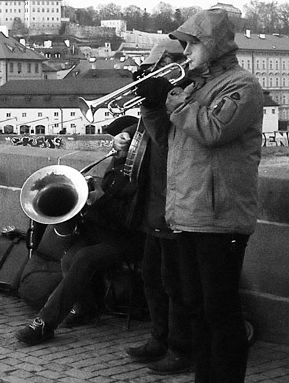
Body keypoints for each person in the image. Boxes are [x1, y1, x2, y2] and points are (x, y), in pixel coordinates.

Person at [136, 8, 264, 383]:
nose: (186, 52)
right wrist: (152, 105)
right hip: (188, 213)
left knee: (220, 313)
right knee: (194, 309)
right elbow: (167, 141)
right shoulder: (193, 87)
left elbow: (213, 130)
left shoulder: (242, 86)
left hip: (220, 216)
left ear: (212, 46)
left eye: (192, 45)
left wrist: (172, 98)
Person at [15, 116, 144, 346]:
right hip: (106, 231)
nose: (117, 148)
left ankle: (45, 323)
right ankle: (86, 308)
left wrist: (100, 201)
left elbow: (128, 219)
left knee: (84, 257)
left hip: (129, 238)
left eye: (123, 144)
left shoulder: (143, 174)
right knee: (69, 259)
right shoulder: (118, 163)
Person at [119, 41, 195, 375]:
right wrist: (125, 138)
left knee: (175, 282)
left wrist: (161, 101)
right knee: (151, 277)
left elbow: (171, 137)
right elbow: (148, 138)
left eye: (161, 64)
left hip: (175, 202)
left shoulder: (186, 94)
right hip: (153, 202)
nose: (155, 72)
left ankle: (181, 348)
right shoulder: (159, 94)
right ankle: (159, 338)